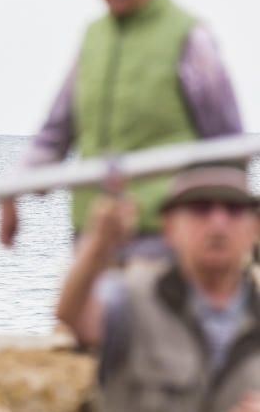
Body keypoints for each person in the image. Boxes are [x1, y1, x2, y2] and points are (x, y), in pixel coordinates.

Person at [0, 0, 242, 249]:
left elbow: (228, 145)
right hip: (92, 233)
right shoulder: (93, 39)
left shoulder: (188, 38)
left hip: (164, 235)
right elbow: (55, 132)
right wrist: (14, 188)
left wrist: (230, 230)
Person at [56, 166, 260, 412]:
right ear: (169, 227)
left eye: (234, 210)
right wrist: (98, 246)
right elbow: (75, 316)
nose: (218, 223)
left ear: (254, 228)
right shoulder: (133, 295)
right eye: (200, 210)